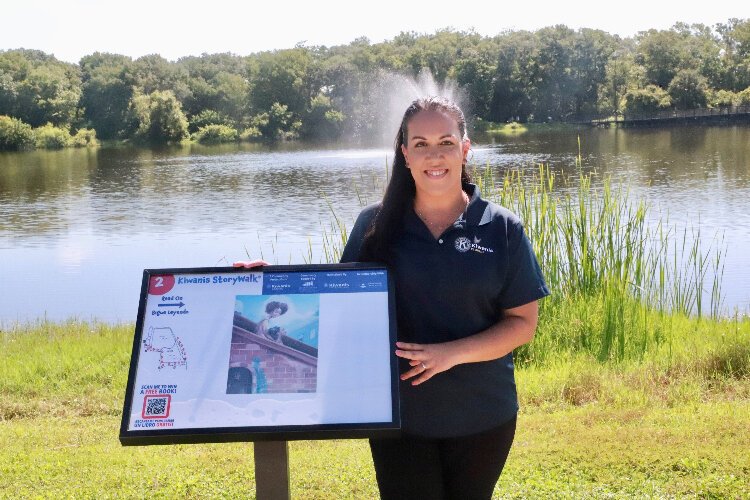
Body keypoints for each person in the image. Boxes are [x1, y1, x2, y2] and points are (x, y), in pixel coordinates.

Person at [339, 96, 549, 500]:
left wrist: (449, 354)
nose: (433, 155)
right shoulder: (374, 225)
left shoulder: (502, 228)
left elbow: (523, 323)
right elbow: (337, 303)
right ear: (404, 154)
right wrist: (262, 281)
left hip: (483, 414)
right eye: (420, 143)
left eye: (445, 142)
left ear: (465, 148)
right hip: (400, 418)